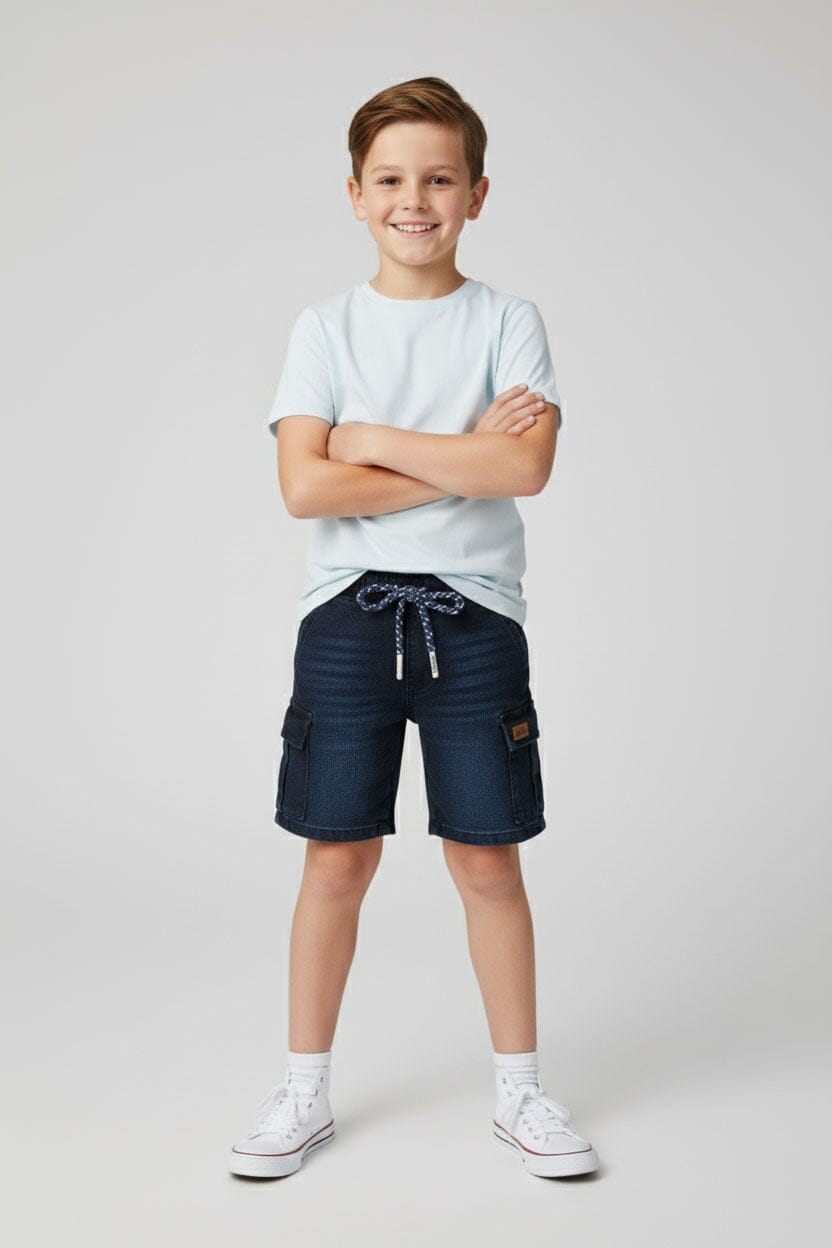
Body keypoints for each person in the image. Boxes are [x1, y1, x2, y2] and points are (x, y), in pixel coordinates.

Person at [227, 76, 600, 1181]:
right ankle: (303, 1092)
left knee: (487, 860)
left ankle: (521, 1094)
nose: (414, 199)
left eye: (439, 179)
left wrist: (371, 440)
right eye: (390, 179)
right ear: (355, 194)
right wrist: (459, 455)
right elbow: (304, 488)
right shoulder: (324, 328)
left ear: (476, 194)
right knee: (335, 857)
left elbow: (525, 468)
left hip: (473, 621)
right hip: (346, 620)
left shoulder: (508, 321)